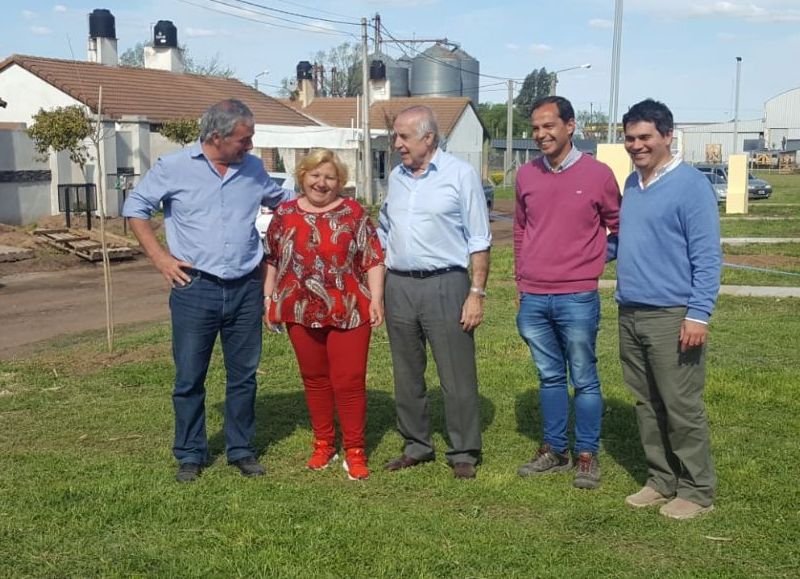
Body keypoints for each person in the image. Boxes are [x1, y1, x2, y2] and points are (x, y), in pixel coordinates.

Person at [123, 99, 293, 483]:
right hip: (194, 288)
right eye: (244, 139)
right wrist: (161, 259)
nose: (250, 146)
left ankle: (242, 450)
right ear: (216, 136)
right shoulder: (173, 168)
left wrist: (328, 203)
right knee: (189, 378)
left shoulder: (252, 169)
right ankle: (190, 454)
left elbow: (283, 202)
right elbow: (135, 209)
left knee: (244, 376)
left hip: (246, 289)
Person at [615, 99, 721, 519]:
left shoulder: (691, 185)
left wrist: (698, 314)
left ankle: (697, 490)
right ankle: (661, 480)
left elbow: (708, 256)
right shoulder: (631, 183)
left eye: (645, 137)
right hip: (631, 310)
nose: (636, 145)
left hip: (673, 315)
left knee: (681, 405)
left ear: (667, 136)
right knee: (645, 402)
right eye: (630, 138)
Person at [378, 105, 491, 480]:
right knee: (406, 371)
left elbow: (479, 237)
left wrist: (476, 292)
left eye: (403, 137)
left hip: (447, 283)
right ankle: (416, 444)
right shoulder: (395, 177)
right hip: (400, 284)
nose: (397, 144)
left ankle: (463, 450)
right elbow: (384, 229)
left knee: (456, 372)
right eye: (396, 137)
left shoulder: (461, 175)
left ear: (428, 137)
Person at [514, 96, 621, 490]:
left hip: (578, 296)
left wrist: (594, 258)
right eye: (536, 128)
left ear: (570, 126)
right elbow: (523, 230)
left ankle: (587, 456)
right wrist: (521, 281)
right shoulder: (526, 175)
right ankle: (555, 451)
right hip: (534, 296)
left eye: (549, 126)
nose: (541, 134)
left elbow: (619, 225)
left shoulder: (598, 175)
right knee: (549, 377)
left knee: (585, 377)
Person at [263, 149, 384, 481]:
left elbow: (373, 257)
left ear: (339, 182)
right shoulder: (284, 213)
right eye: (315, 175)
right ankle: (323, 444)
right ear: (303, 176)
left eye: (330, 177)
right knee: (315, 379)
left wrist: (377, 299)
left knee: (349, 380)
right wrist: (269, 297)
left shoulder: (354, 213)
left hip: (349, 307)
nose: (321, 182)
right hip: (298, 307)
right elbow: (272, 257)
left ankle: (355, 450)